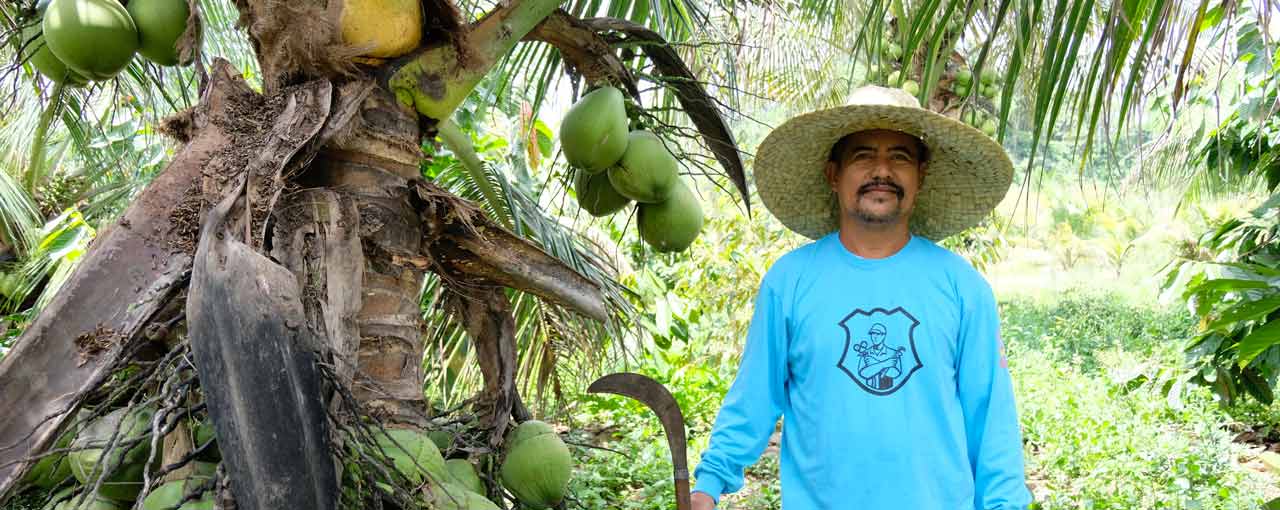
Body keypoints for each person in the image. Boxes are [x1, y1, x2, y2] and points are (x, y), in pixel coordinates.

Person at [690, 86, 1032, 509]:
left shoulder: (962, 288)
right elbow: (755, 397)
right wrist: (708, 483)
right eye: (863, 155)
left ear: (921, 175)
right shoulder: (790, 282)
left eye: (900, 157)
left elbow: (990, 417)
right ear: (834, 174)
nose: (882, 170)